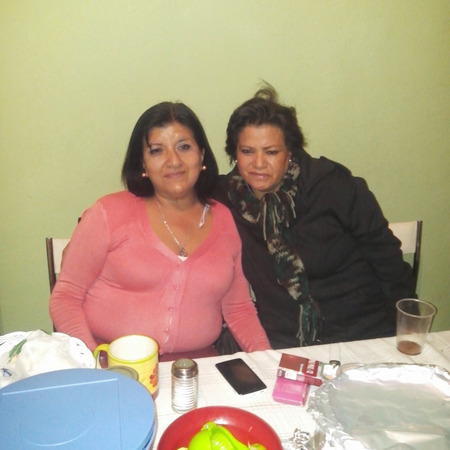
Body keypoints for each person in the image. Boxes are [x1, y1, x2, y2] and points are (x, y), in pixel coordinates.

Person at [49, 101, 271, 360]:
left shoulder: (224, 219)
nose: (173, 161)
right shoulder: (108, 214)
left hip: (198, 370)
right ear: (142, 163)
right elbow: (65, 297)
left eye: (184, 147)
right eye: (156, 151)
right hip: (111, 365)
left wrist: (269, 361)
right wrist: (93, 362)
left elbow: (239, 309)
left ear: (201, 155)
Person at [213, 85, 416, 350]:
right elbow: (177, 189)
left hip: (363, 333)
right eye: (247, 151)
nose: (259, 163)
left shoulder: (332, 186)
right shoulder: (228, 197)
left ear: (290, 152)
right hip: (283, 342)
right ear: (234, 154)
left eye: (271, 151)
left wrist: (405, 333)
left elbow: (387, 260)